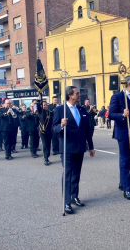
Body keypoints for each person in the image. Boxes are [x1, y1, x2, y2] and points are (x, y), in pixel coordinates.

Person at [52, 86, 95, 215]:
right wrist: (61, 125)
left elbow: (87, 130)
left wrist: (91, 146)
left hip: (80, 147)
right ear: (70, 95)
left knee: (76, 173)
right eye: (77, 93)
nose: (79, 95)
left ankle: (74, 195)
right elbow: (53, 129)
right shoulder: (60, 110)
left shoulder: (82, 109)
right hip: (67, 147)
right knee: (67, 174)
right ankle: (66, 202)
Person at [109, 76, 130, 200]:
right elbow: (111, 114)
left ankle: (123, 182)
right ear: (129, 84)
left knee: (128, 160)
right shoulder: (117, 97)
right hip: (123, 133)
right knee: (125, 160)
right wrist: (122, 115)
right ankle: (127, 189)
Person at [38, 98, 53, 165]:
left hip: (49, 131)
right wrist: (39, 100)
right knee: (45, 144)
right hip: (42, 131)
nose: (45, 106)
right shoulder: (40, 112)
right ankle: (45, 158)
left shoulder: (50, 112)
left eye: (46, 105)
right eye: (44, 105)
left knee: (49, 144)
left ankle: (47, 156)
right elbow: (38, 106)